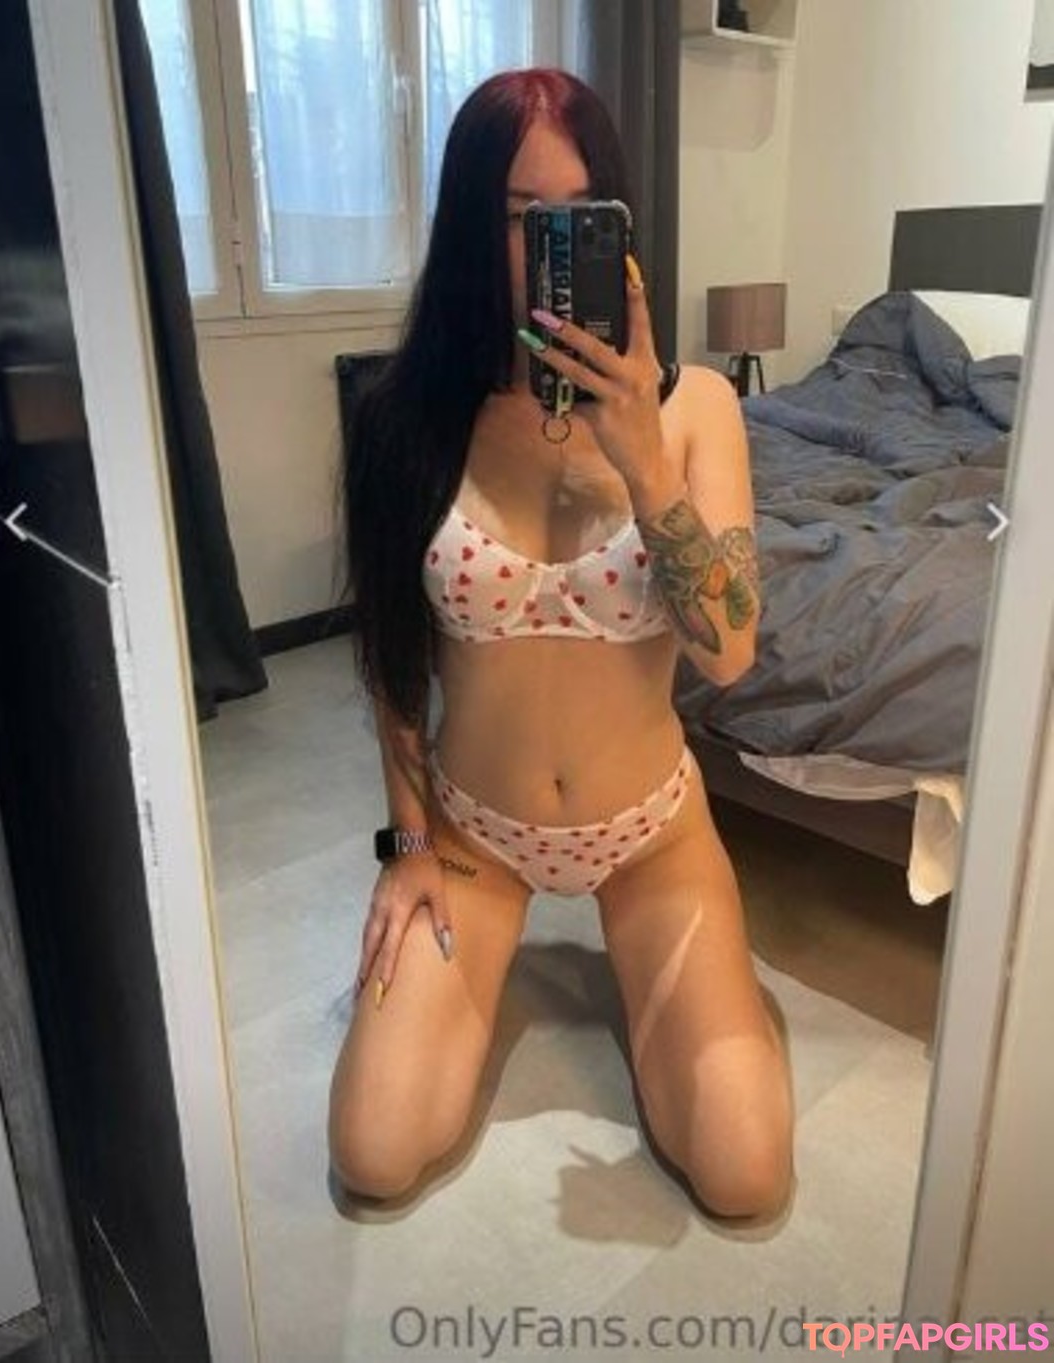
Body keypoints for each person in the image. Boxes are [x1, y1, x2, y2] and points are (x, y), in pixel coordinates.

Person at [329, 68, 793, 1218]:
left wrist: (642, 458)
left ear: (620, 230)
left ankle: (707, 985)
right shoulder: (403, 417)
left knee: (743, 1172)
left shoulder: (698, 410)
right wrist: (406, 843)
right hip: (475, 834)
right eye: (519, 217)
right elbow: (392, 660)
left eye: (580, 216)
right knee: (375, 1153)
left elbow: (730, 652)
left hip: (649, 834)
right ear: (465, 226)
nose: (550, 246)